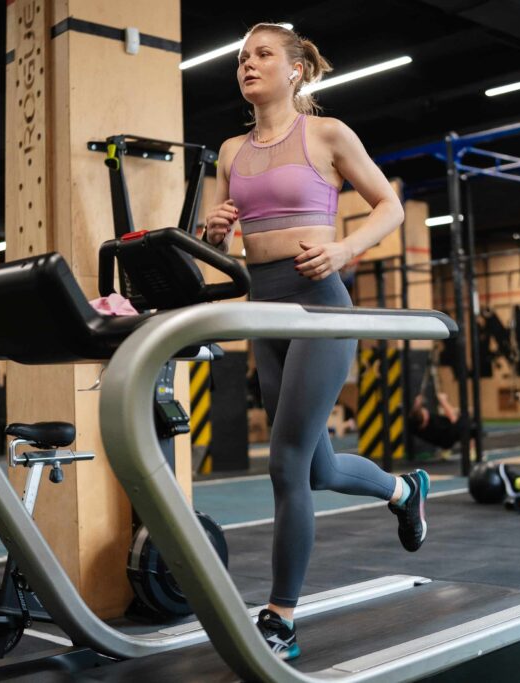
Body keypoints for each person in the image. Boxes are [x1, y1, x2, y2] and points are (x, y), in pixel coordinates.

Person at [203, 23, 429, 660]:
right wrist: (216, 231)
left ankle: (281, 615)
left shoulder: (326, 134)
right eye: (242, 57)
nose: (248, 64)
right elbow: (219, 242)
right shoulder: (229, 150)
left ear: (296, 69)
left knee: (284, 464)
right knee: (318, 468)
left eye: (263, 54)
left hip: (321, 307)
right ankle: (404, 491)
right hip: (264, 310)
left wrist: (343, 249)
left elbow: (389, 205)